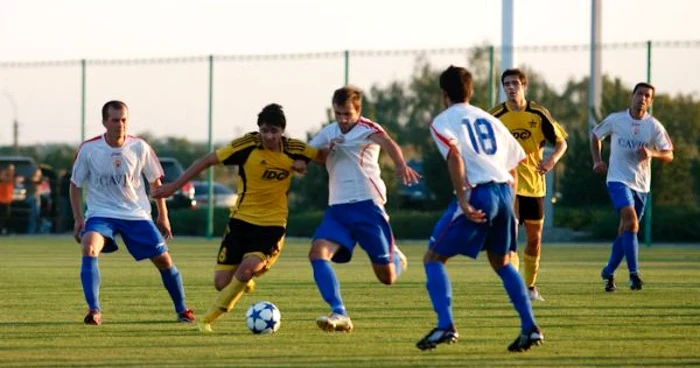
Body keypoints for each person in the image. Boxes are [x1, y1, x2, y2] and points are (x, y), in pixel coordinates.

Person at [152, 103, 324, 333]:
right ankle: (245, 281)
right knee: (221, 283)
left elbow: (322, 156)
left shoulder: (294, 148)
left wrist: (307, 161)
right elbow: (206, 161)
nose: (269, 136)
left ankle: (208, 319)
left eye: (274, 131)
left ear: (282, 131)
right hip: (240, 222)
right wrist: (174, 186)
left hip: (271, 226)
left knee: (246, 269)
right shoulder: (246, 146)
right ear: (259, 129)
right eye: (264, 130)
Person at [416, 66, 543, 352]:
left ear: (444, 94)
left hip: (479, 191)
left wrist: (462, 198)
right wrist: (508, 203)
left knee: (433, 258)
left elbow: (454, 156)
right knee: (502, 262)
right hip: (505, 192)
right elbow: (514, 162)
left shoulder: (443, 120)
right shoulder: (491, 119)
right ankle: (530, 327)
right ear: (470, 91)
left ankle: (445, 324)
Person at [70, 100, 195, 325]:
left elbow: (155, 183)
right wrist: (79, 219)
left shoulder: (139, 147)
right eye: (115, 120)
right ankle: (94, 310)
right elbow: (75, 185)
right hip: (101, 214)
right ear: (104, 122)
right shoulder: (89, 149)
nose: (121, 124)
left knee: (164, 261)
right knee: (89, 247)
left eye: (124, 119)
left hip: (136, 214)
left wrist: (162, 215)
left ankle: (182, 309)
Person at [307, 86, 421, 332]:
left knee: (387, 277)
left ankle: (396, 258)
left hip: (368, 206)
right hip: (337, 208)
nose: (342, 119)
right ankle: (340, 312)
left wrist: (401, 165)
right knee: (317, 253)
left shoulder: (367, 129)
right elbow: (309, 155)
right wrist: (323, 152)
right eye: (338, 114)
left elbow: (388, 143)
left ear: (358, 111)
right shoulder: (329, 132)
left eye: (347, 114)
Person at [488, 68, 568, 302]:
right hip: (507, 184)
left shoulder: (538, 113)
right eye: (506, 84)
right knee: (510, 237)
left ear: (524, 86)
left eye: (514, 83)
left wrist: (552, 160)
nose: (510, 88)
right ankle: (515, 287)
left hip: (534, 184)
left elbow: (561, 142)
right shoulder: (495, 116)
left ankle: (530, 286)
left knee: (534, 239)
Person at [590, 82, 673, 292]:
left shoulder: (653, 126)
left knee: (626, 229)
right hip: (617, 179)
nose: (642, 98)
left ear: (651, 101)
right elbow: (595, 135)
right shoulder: (617, 120)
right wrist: (597, 160)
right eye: (639, 94)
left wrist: (652, 153)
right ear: (632, 96)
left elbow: (669, 153)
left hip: (641, 186)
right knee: (632, 222)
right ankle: (634, 275)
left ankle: (609, 271)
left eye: (647, 95)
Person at [25, 167, 43, 234]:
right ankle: (31, 231)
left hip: (37, 199)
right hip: (32, 198)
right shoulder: (30, 180)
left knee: (36, 216)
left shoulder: (39, 181)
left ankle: (34, 230)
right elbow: (33, 180)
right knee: (34, 216)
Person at [0, 164, 14, 235]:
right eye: (11, 169)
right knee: (3, 216)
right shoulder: (4, 175)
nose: (12, 171)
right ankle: (3, 230)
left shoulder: (11, 177)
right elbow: (2, 178)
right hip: (2, 200)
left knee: (7, 216)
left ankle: (5, 230)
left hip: (8, 200)